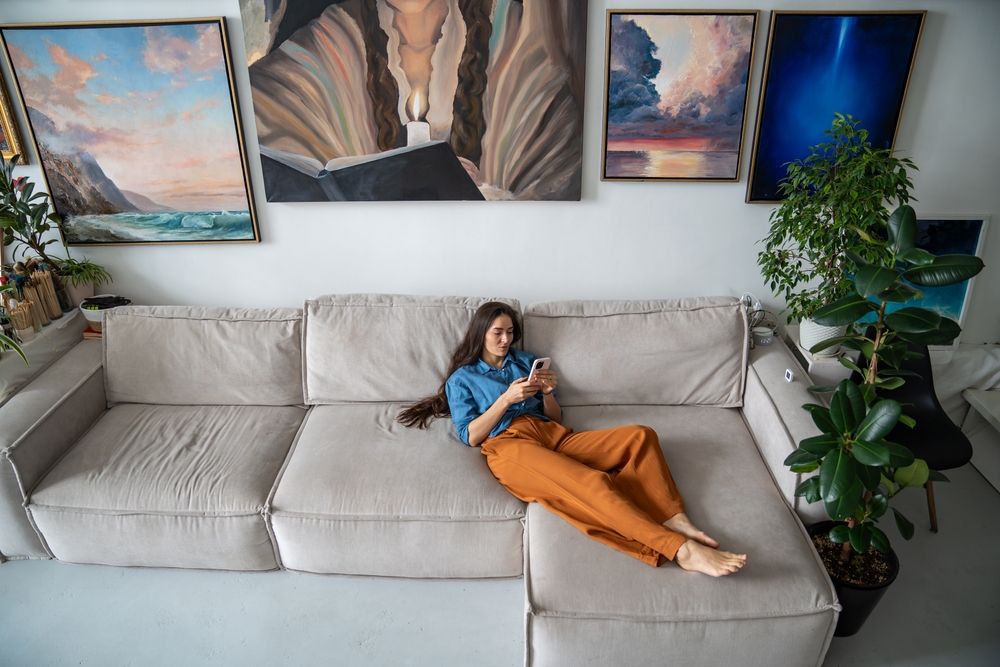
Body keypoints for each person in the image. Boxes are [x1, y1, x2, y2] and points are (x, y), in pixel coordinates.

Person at [398, 302, 747, 576]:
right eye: (497, 333)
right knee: (592, 483)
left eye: (510, 333)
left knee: (640, 436)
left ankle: (673, 516)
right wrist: (506, 399)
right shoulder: (464, 378)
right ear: (480, 334)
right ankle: (679, 550)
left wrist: (548, 392)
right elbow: (470, 436)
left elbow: (554, 418)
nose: (506, 340)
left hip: (553, 435)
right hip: (509, 446)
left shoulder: (524, 361)